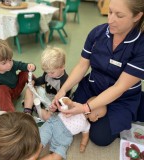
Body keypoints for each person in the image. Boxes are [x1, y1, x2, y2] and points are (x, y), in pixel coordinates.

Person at [52, 0, 144, 146]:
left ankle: (137, 107)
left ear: (137, 16)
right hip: (93, 86)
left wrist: (85, 108)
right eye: (110, 12)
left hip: (121, 97)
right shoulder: (98, 33)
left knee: (100, 136)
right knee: (67, 112)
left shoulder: (140, 46)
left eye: (119, 15)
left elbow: (119, 87)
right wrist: (63, 90)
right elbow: (82, 66)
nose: (111, 19)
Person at [39, 97, 107, 160]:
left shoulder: (87, 125)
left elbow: (85, 136)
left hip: (64, 140)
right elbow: (68, 103)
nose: (97, 119)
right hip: (54, 125)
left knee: (58, 156)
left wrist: (83, 145)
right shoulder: (77, 107)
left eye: (99, 118)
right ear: (91, 107)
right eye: (97, 115)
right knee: (40, 142)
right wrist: (66, 101)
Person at [0, 38, 36, 112]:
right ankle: (10, 114)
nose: (9, 65)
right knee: (1, 89)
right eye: (4, 63)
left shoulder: (11, 64)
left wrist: (31, 66)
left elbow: (23, 65)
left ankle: (37, 84)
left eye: (10, 60)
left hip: (17, 88)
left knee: (25, 72)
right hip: (6, 96)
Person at [23, 46, 71, 115]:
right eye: (46, 72)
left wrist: (55, 107)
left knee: (51, 115)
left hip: (53, 102)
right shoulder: (49, 72)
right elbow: (42, 79)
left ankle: (36, 107)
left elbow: (64, 100)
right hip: (45, 94)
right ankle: (28, 110)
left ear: (62, 67)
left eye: (52, 72)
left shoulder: (65, 81)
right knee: (29, 89)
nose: (49, 75)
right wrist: (34, 81)